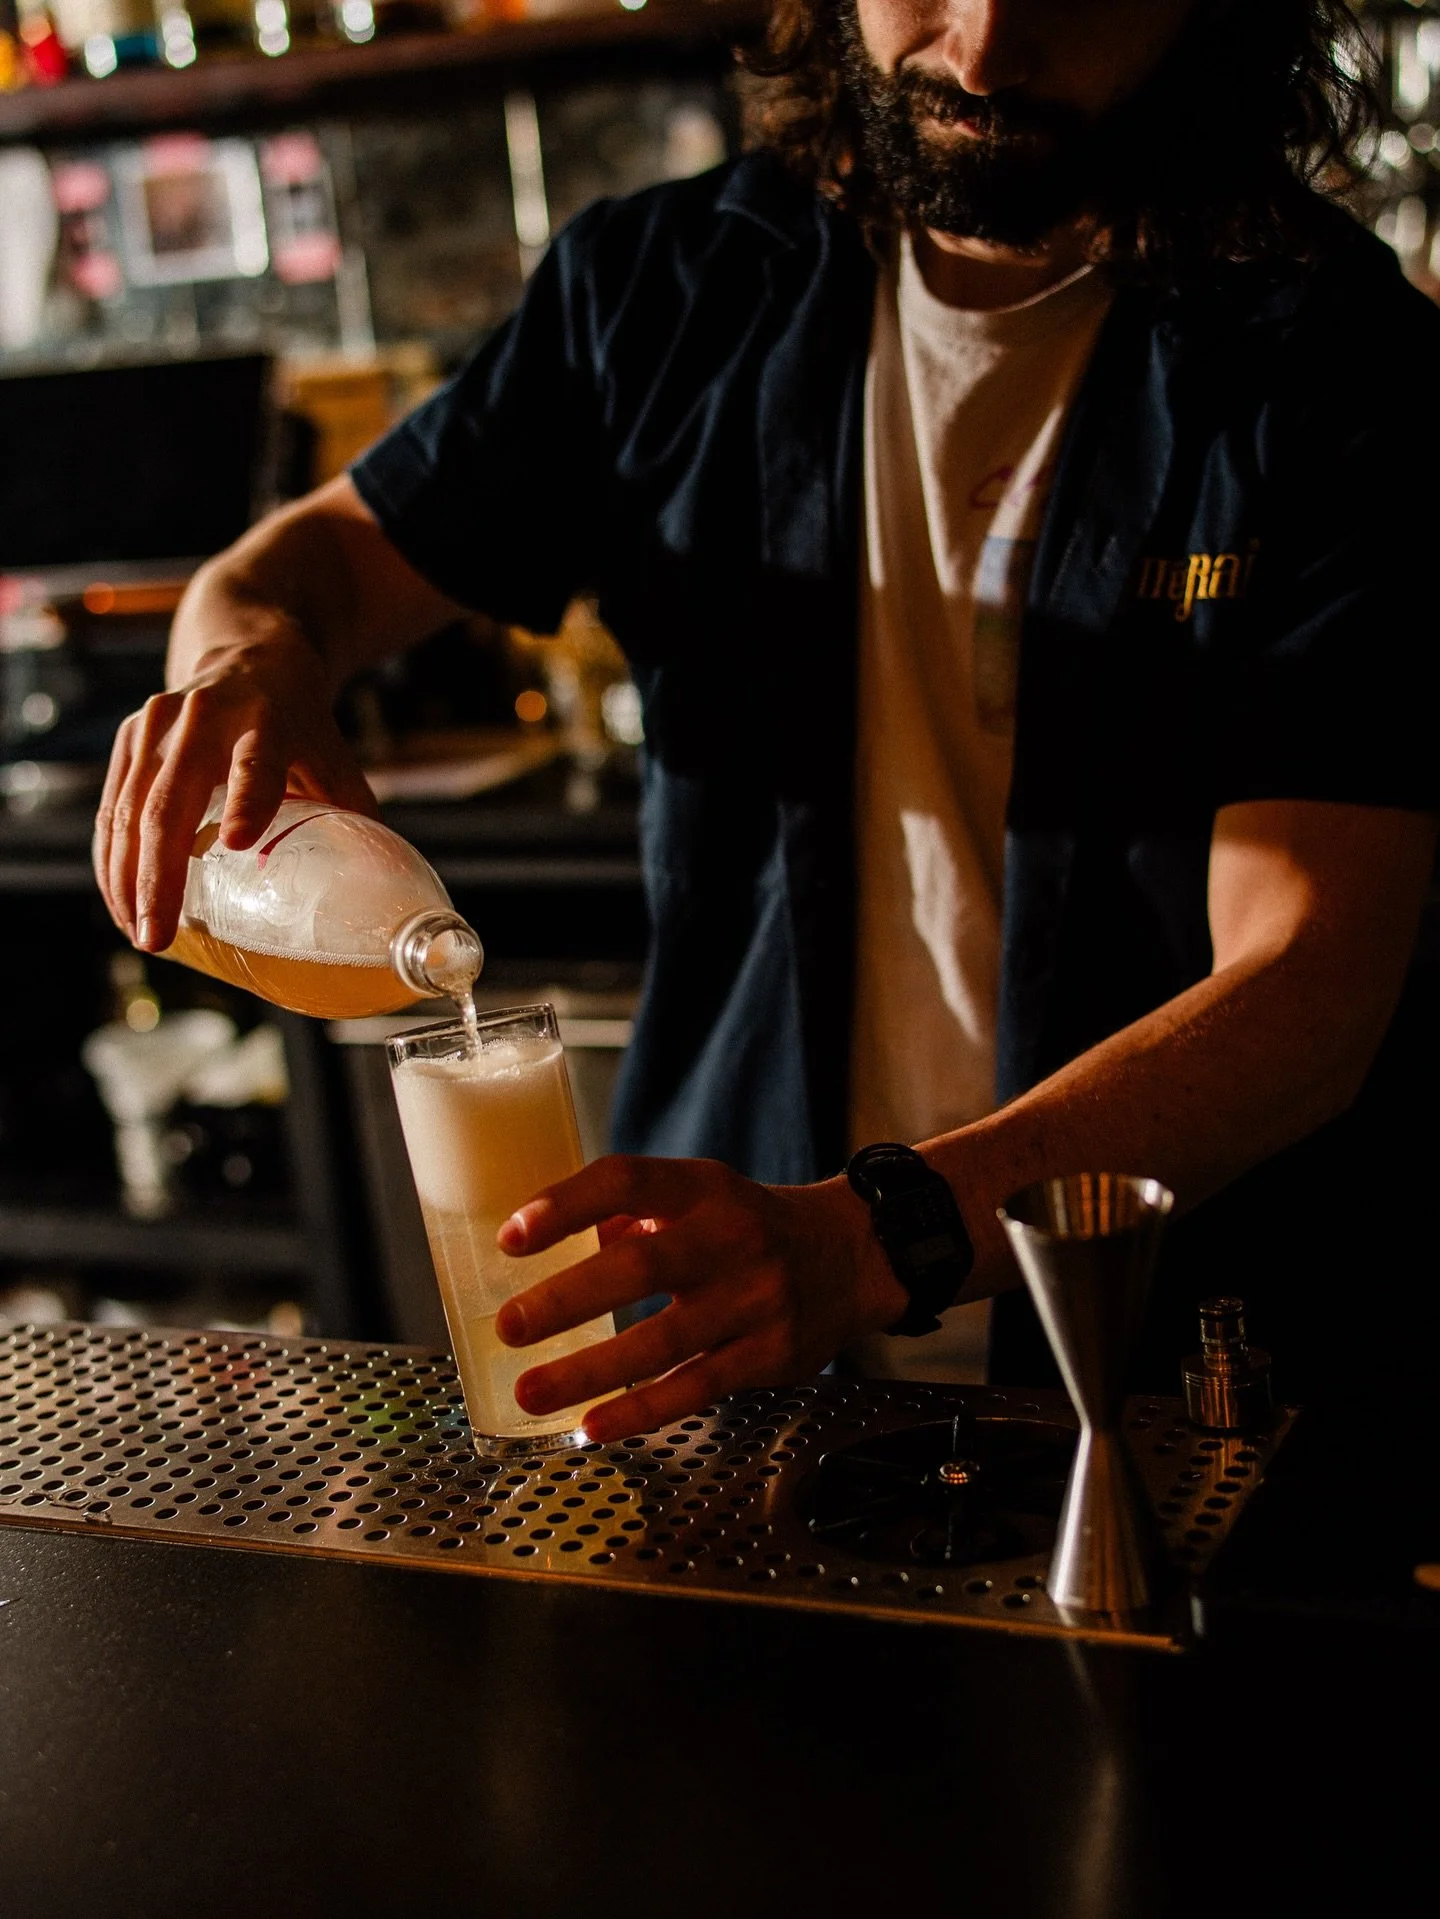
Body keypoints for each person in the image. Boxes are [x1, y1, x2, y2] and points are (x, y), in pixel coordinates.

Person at [95, 0, 1440, 1438]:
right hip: (737, 1383)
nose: (984, 46)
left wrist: (872, 1239)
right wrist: (248, 660)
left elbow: (1307, 982)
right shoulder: (667, 288)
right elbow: (295, 571)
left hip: (1179, 1382)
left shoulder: (1343, 365)